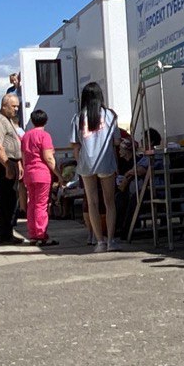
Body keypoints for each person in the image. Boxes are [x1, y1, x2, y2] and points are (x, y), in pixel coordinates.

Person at [72, 81, 120, 252]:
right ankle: (111, 241)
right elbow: (117, 141)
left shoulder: (78, 117)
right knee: (109, 202)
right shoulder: (110, 115)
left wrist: (79, 163)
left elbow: (76, 146)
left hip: (86, 163)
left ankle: (99, 241)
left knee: (92, 202)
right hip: (106, 161)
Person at [0, 92, 25, 245]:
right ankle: (4, 236)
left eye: (17, 106)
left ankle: (8, 232)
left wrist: (19, 163)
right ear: (4, 106)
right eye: (13, 106)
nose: (16, 109)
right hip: (1, 164)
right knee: (4, 200)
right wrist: (7, 164)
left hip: (12, 162)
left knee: (11, 200)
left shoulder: (7, 120)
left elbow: (13, 143)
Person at [20, 109, 60, 246]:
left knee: (32, 203)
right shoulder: (45, 136)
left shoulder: (25, 136)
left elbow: (24, 157)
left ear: (32, 120)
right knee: (41, 205)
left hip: (29, 173)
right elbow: (48, 157)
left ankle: (32, 234)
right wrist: (58, 174)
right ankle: (41, 234)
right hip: (42, 173)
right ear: (46, 121)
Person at [115, 127, 161, 238]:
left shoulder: (156, 154)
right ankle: (119, 227)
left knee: (133, 198)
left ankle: (126, 231)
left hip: (153, 188)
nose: (141, 142)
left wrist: (129, 174)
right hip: (144, 187)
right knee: (121, 197)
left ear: (151, 141)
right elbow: (137, 169)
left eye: (143, 139)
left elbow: (141, 170)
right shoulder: (145, 155)